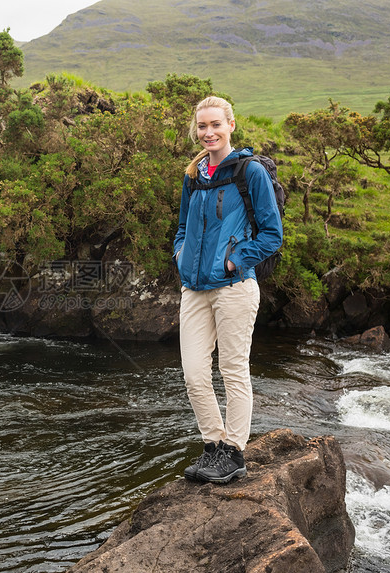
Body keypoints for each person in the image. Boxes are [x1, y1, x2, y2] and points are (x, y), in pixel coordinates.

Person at [172, 96, 283, 484]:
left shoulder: (248, 172)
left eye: (215, 124)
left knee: (233, 370)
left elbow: (272, 235)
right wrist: (181, 256)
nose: (209, 133)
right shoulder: (193, 175)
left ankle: (233, 452)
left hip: (235, 286)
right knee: (194, 373)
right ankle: (212, 445)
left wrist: (234, 261)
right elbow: (183, 227)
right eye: (202, 126)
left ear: (231, 125)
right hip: (194, 288)